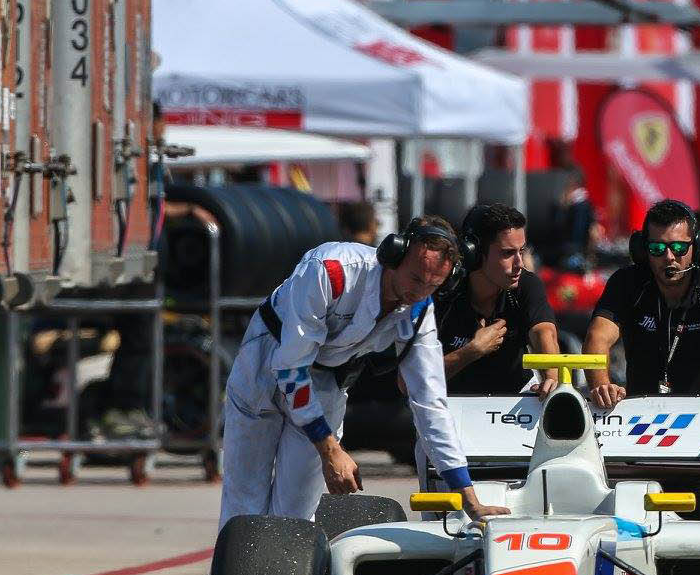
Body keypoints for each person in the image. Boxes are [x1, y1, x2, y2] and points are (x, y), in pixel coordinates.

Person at [218, 216, 508, 528]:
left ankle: (285, 559)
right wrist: (330, 450)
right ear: (394, 254)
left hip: (327, 378)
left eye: (433, 285)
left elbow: (430, 403)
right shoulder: (331, 271)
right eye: (415, 278)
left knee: (296, 514)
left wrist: (469, 498)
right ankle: (236, 557)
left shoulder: (419, 311)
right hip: (266, 361)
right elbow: (291, 368)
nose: (420, 291)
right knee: (244, 504)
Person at [583, 199, 700, 521]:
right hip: (640, 438)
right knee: (633, 532)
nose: (669, 257)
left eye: (679, 247)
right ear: (643, 250)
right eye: (657, 248)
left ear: (699, 247)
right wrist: (601, 385)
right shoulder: (627, 282)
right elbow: (597, 338)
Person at [435, 203, 560, 397]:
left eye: (521, 251)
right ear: (474, 253)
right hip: (452, 402)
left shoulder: (527, 284)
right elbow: (415, 380)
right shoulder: (443, 292)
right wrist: (471, 351)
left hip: (517, 398)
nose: (519, 264)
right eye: (508, 253)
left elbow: (544, 332)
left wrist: (551, 379)